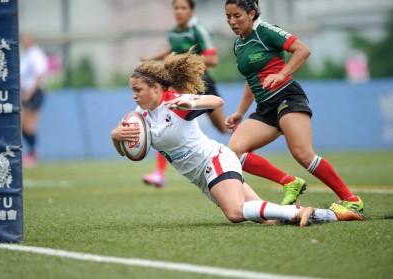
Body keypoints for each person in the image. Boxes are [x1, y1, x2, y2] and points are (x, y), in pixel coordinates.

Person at [110, 48, 365, 226]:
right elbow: (133, 153)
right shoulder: (138, 117)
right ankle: (332, 215)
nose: (134, 95)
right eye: (132, 90)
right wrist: (115, 137)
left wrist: (191, 104)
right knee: (271, 218)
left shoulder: (175, 102)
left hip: (215, 161)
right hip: (200, 178)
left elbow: (217, 100)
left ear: (156, 88)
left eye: (138, 90)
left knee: (234, 213)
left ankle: (302, 210)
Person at [223, 0, 364, 211]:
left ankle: (351, 200)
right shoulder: (239, 44)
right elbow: (251, 80)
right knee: (233, 151)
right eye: (228, 17)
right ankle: (289, 181)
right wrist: (240, 112)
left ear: (251, 14)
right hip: (265, 107)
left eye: (237, 16)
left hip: (286, 97)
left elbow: (303, 50)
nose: (232, 22)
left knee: (303, 155)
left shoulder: (266, 31)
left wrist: (281, 74)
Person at [140, 0, 229, 188]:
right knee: (166, 119)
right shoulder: (173, 32)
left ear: (191, 11)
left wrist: (185, 62)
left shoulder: (198, 30)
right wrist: (151, 59)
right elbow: (172, 51)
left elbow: (213, 59)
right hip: (180, 85)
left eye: (183, 8)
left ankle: (243, 147)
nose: (179, 11)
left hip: (202, 84)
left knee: (224, 128)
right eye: (176, 8)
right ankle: (159, 173)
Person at [20, 33, 49, 168]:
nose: (24, 42)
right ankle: (32, 151)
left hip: (34, 93)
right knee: (22, 125)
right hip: (26, 92)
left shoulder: (36, 54)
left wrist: (30, 92)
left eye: (26, 39)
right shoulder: (26, 56)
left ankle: (33, 153)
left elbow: (39, 74)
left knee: (29, 126)